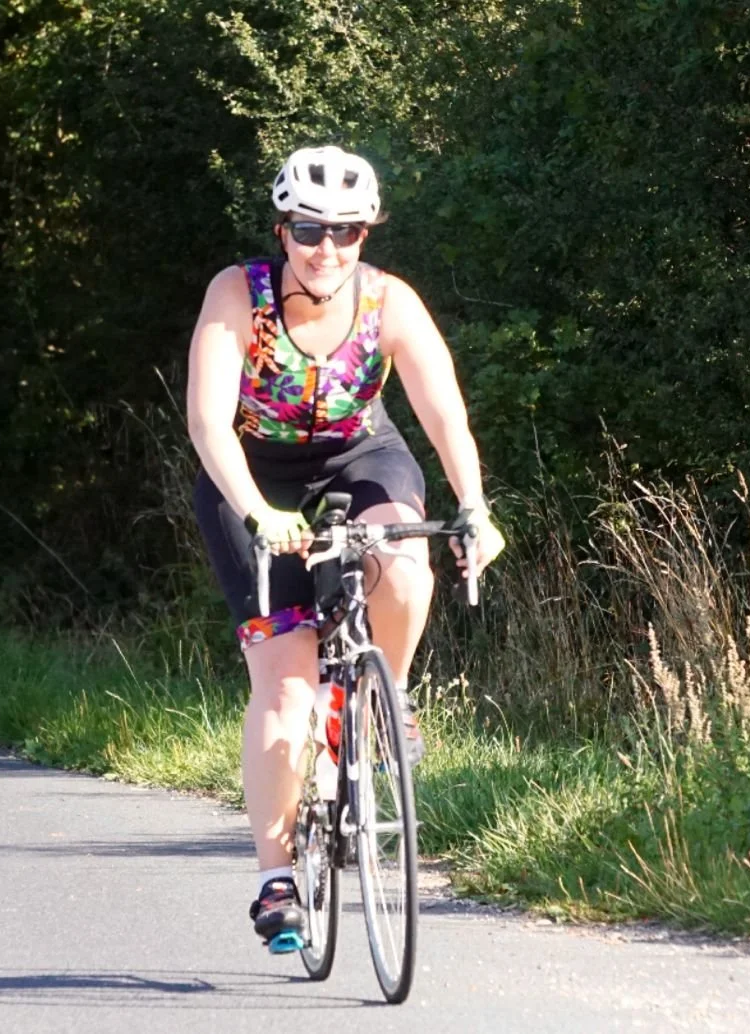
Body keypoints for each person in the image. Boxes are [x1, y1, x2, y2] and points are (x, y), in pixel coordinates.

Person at [185, 145, 506, 952]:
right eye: (308, 229)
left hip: (360, 454)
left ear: (367, 234)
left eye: (348, 230)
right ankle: (275, 878)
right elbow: (207, 423)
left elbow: (445, 416)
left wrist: (475, 508)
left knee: (405, 565)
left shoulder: (388, 302)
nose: (327, 247)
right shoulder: (238, 295)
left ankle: (377, 703)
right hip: (252, 472)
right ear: (281, 231)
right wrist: (258, 510)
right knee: (287, 689)